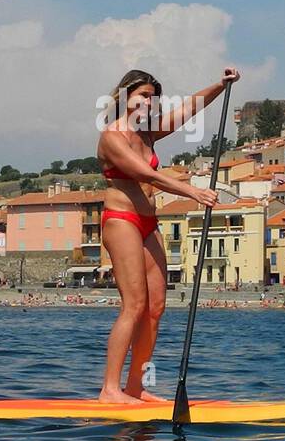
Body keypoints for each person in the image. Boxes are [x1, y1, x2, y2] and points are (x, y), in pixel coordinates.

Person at [96, 66, 239, 404]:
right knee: (134, 305)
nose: (150, 102)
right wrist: (194, 192)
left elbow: (188, 110)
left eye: (154, 98)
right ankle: (109, 390)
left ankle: (135, 386)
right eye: (144, 95)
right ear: (125, 96)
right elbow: (147, 174)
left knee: (156, 307)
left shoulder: (148, 133)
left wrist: (220, 84)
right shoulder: (111, 137)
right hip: (121, 221)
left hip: (149, 223)